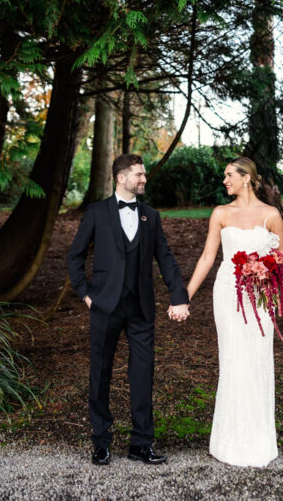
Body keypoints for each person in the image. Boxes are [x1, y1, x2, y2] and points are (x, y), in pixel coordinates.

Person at [67, 153, 190, 466]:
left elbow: (166, 258)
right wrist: (85, 295)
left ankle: (141, 443)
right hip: (104, 305)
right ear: (121, 177)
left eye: (144, 174)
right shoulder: (96, 213)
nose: (144, 179)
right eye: (139, 174)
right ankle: (101, 441)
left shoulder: (151, 216)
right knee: (101, 372)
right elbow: (75, 257)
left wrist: (179, 295)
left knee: (142, 374)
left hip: (141, 308)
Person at [184, 156, 283, 467]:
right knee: (233, 360)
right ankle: (229, 440)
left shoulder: (271, 215)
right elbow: (206, 258)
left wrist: (265, 272)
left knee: (256, 359)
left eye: (229, 175)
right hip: (228, 294)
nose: (224, 181)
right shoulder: (220, 214)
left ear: (246, 178)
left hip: (258, 298)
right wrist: (184, 296)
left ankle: (258, 439)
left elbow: (282, 260)